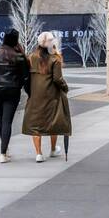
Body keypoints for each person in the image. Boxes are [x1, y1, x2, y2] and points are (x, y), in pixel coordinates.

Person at [22, 31, 72, 163]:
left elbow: (26, 78)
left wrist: (30, 92)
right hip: (51, 95)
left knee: (35, 123)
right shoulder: (55, 59)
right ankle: (53, 149)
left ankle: (39, 153)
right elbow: (58, 79)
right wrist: (65, 88)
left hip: (35, 95)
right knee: (52, 120)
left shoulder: (31, 57)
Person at [0, 29, 28, 163]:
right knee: (7, 121)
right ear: (15, 40)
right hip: (12, 90)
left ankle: (5, 149)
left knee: (1, 118)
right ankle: (3, 153)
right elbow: (25, 75)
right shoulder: (19, 56)